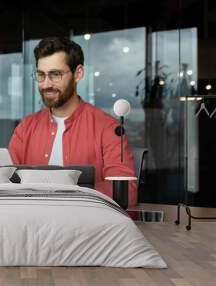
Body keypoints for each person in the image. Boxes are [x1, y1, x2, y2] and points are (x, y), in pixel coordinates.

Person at [8, 37, 137, 206]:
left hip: (84, 223)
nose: (46, 84)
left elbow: (127, 191)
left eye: (55, 74)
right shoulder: (26, 127)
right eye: (41, 75)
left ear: (78, 73)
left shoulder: (108, 128)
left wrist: (71, 192)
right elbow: (6, 179)